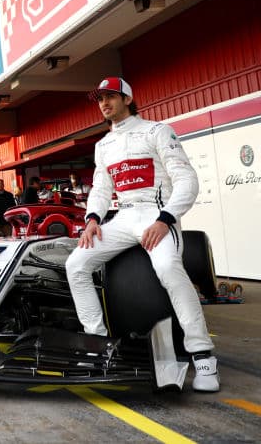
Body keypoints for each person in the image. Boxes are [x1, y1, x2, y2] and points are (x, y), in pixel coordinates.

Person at [64, 77, 219, 392]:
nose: (104, 103)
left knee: (168, 268)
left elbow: (187, 180)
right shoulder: (103, 145)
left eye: (110, 97)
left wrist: (165, 219)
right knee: (76, 264)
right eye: (100, 99)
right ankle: (97, 345)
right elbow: (102, 188)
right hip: (124, 217)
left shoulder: (157, 131)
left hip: (156, 214)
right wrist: (92, 218)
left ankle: (203, 356)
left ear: (127, 99)